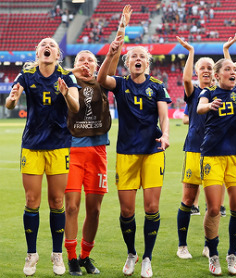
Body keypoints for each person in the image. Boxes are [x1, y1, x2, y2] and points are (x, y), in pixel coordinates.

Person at [63, 5, 132, 276]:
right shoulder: (66, 81)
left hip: (98, 151)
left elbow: (113, 56)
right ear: (74, 64)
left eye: (90, 59)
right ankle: (70, 257)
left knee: (94, 209)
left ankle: (85, 255)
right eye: (81, 58)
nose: (86, 62)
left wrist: (121, 30)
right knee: (71, 206)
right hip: (71, 152)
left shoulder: (103, 82)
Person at [97, 36, 171, 278]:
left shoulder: (158, 86)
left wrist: (166, 134)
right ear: (126, 63)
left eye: (142, 56)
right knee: (127, 211)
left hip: (152, 151)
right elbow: (100, 79)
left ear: (148, 62)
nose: (138, 59)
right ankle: (132, 253)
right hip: (126, 153)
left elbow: (164, 115)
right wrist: (111, 53)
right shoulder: (119, 84)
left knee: (151, 207)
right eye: (133, 57)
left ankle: (147, 257)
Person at [6, 37, 79, 276]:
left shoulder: (67, 76)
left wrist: (66, 94)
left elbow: (76, 107)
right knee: (31, 200)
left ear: (57, 54)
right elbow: (9, 103)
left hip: (58, 146)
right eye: (43, 44)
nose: (47, 46)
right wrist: (12, 99)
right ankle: (31, 254)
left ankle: (57, 255)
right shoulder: (26, 74)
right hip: (32, 146)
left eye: (52, 45)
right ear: (37, 52)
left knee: (57, 202)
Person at [197, 58, 236, 276]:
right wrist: (209, 106)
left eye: (234, 69)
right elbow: (200, 108)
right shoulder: (210, 91)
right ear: (218, 75)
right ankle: (213, 254)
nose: (233, 72)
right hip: (212, 156)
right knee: (214, 208)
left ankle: (231, 254)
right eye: (228, 69)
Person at [175, 36, 215, 260]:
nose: (206, 70)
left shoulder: (220, 91)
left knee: (212, 202)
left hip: (215, 152)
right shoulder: (193, 92)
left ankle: (210, 244)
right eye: (203, 67)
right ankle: (182, 246)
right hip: (194, 149)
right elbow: (185, 79)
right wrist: (191, 52)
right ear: (197, 71)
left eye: (210, 67)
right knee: (188, 200)